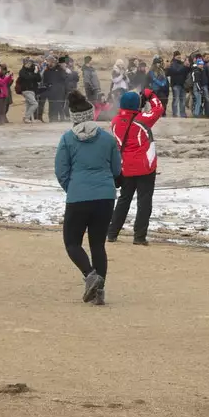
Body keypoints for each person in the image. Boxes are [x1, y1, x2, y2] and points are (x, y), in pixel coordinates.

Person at [55, 90, 123, 305]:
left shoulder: (67, 138)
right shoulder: (107, 138)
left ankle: (90, 275)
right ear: (92, 115)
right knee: (98, 245)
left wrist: (73, 187)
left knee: (72, 243)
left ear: (73, 117)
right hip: (104, 197)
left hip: (78, 196)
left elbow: (61, 171)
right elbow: (116, 169)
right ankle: (99, 292)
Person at [108, 89, 162, 245]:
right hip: (145, 167)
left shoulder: (115, 121)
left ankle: (112, 233)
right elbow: (158, 109)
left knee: (124, 200)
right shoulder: (142, 120)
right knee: (144, 202)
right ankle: (139, 237)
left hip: (126, 166)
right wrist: (150, 95)